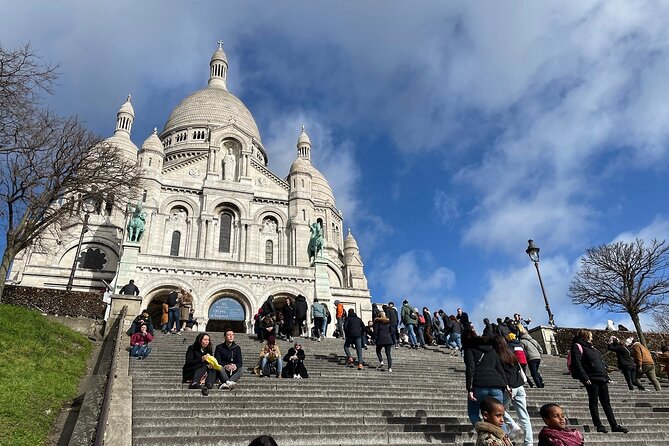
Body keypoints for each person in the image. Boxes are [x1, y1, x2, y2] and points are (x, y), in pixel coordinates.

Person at [570, 329, 628, 433]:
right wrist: (584, 377)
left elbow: (600, 362)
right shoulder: (577, 346)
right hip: (591, 378)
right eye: (590, 336)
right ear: (585, 336)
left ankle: (614, 425)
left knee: (606, 402)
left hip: (601, 377)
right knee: (593, 402)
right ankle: (598, 425)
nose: (592, 337)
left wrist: (606, 375)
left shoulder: (593, 348)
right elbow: (577, 362)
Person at [491, 335, 531, 445]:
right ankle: (529, 443)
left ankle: (512, 425)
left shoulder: (497, 356)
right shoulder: (510, 354)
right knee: (525, 417)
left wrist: (506, 386)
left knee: (498, 410)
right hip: (520, 386)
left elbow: (501, 373)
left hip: (509, 387)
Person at [464, 331, 508, 425]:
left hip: (480, 385)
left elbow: (471, 368)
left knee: (473, 412)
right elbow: (499, 368)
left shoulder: (470, 349)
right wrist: (506, 385)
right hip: (497, 385)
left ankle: (484, 432)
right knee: (498, 416)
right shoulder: (493, 350)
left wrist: (469, 388)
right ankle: (503, 438)